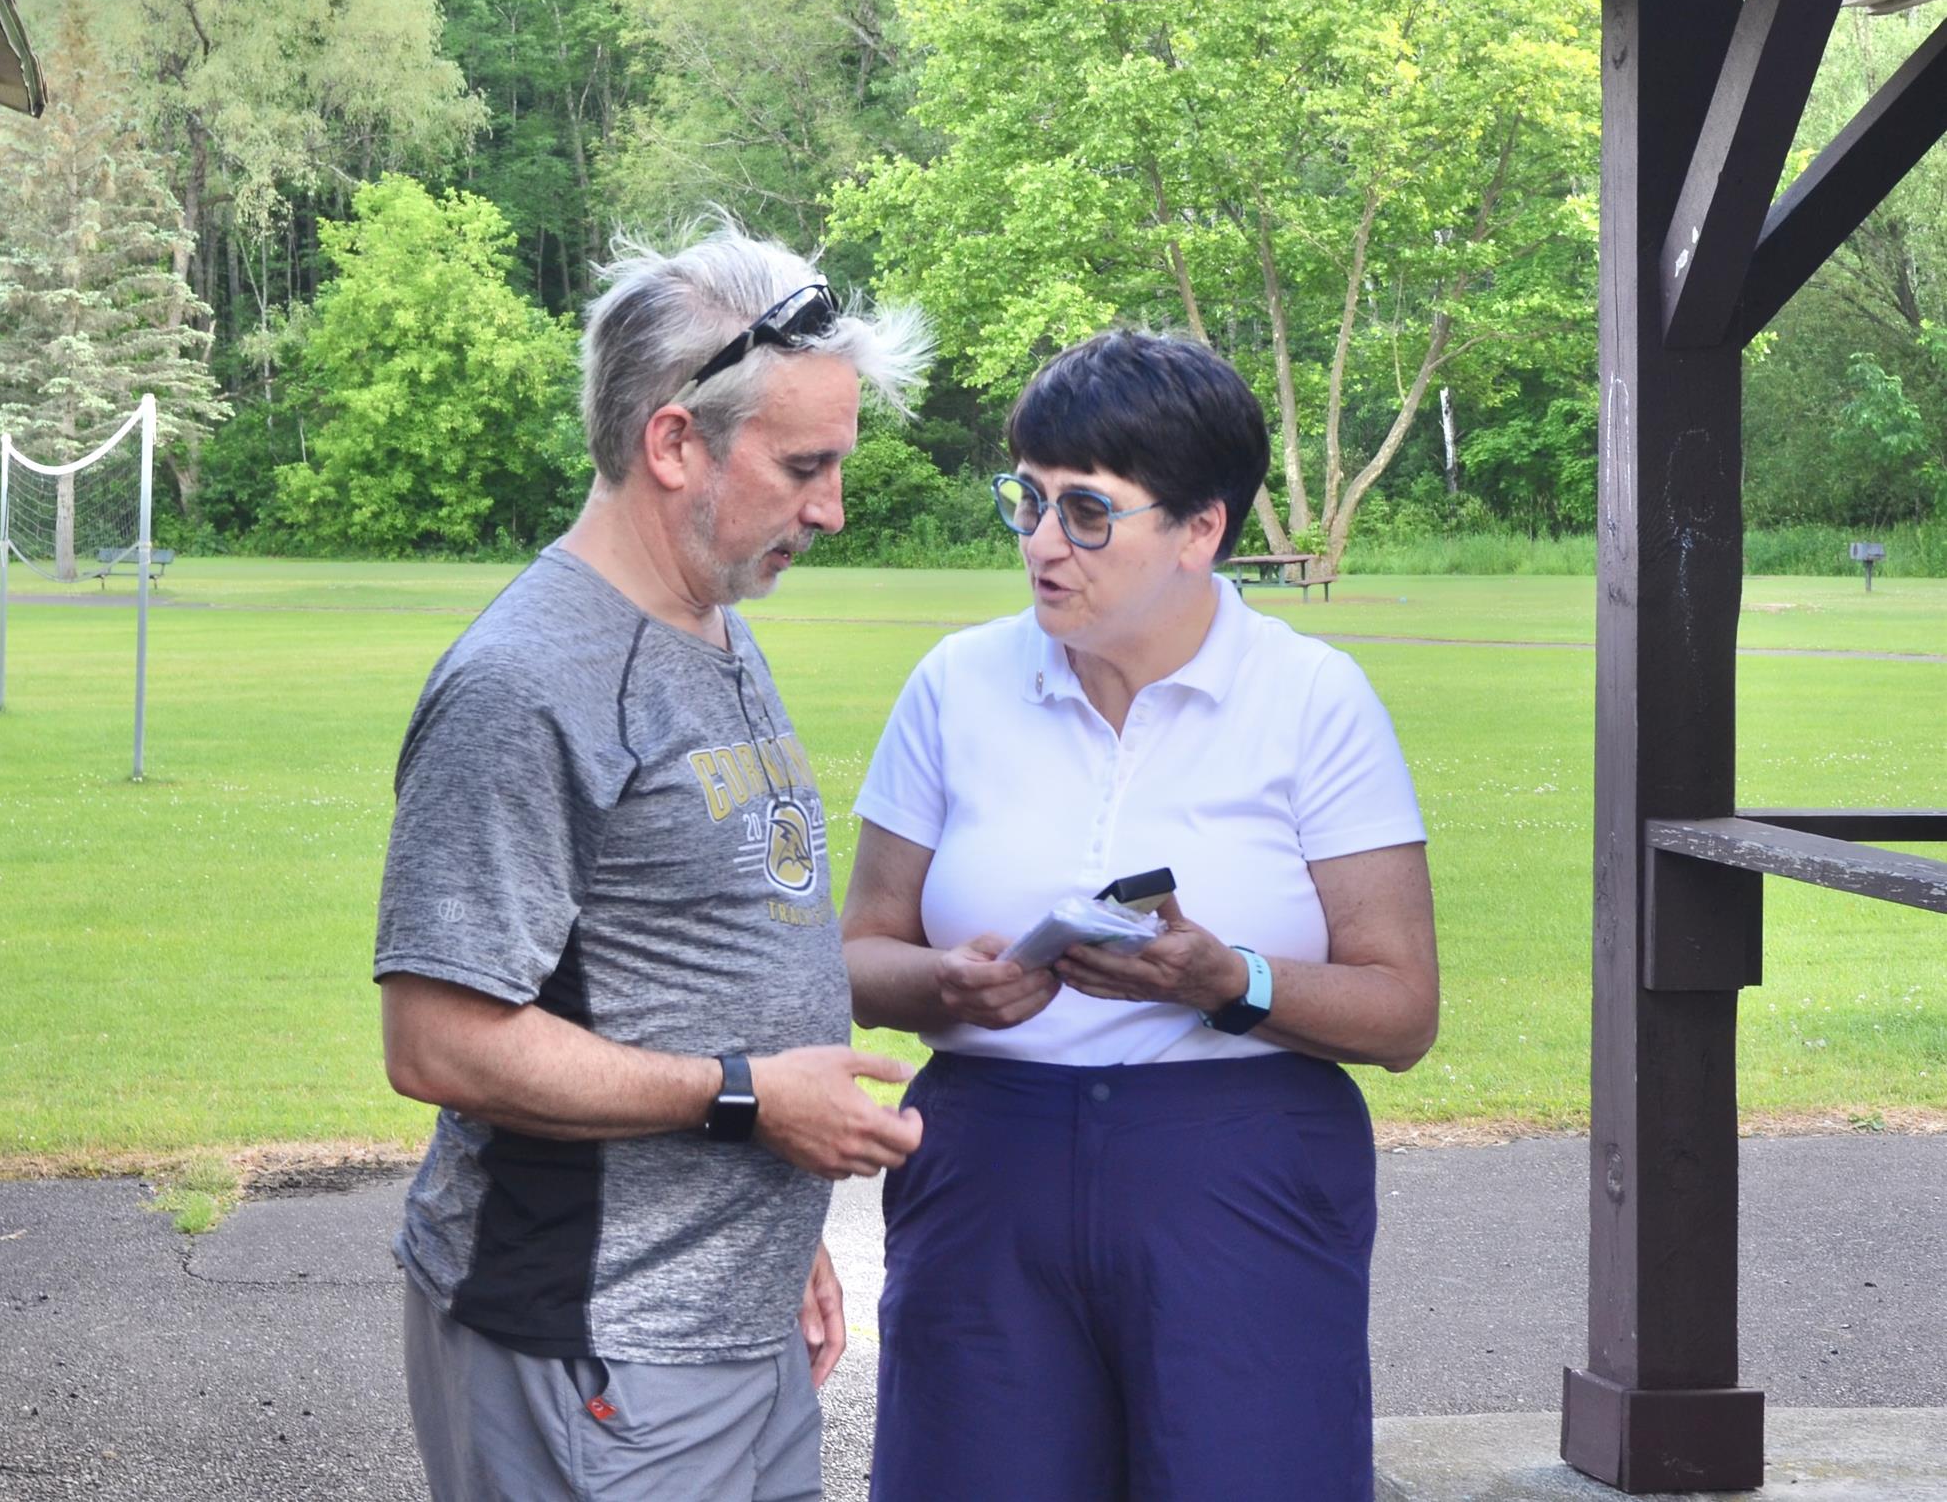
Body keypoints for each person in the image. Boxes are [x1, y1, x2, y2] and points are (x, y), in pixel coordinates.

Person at [374, 226, 934, 1502]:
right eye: (805, 466)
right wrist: (749, 1096)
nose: (833, 507)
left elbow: (701, 943)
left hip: (734, 1325)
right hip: (594, 1339)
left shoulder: (713, 616)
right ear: (675, 442)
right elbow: (438, 1041)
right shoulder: (525, 685)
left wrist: (779, 1239)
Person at [841, 330, 1440, 1500]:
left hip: (1239, 1170)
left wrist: (1230, 981)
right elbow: (859, 947)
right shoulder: (956, 683)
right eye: (1028, 500)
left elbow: (1402, 1008)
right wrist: (940, 984)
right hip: (988, 1165)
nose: (1041, 543)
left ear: (1201, 529)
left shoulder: (1313, 699)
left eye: (1087, 512)